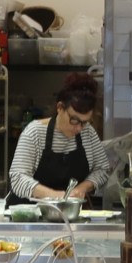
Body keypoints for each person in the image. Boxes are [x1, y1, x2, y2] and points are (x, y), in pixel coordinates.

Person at [9, 75, 116, 203]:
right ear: (60, 108)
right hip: (28, 214)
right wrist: (57, 196)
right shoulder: (34, 133)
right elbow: (17, 178)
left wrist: (81, 189)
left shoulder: (87, 133)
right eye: (74, 120)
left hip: (68, 213)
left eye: (84, 122)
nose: (78, 128)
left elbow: (102, 169)